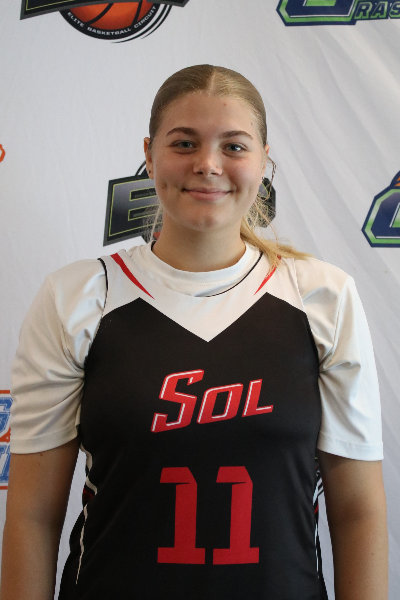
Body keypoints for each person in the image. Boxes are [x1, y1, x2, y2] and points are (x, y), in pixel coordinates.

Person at [1, 65, 387, 600]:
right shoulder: (80, 297)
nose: (207, 164)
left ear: (264, 160)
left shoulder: (321, 296)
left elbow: (358, 510)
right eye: (184, 143)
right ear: (150, 153)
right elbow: (31, 514)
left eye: (234, 146)